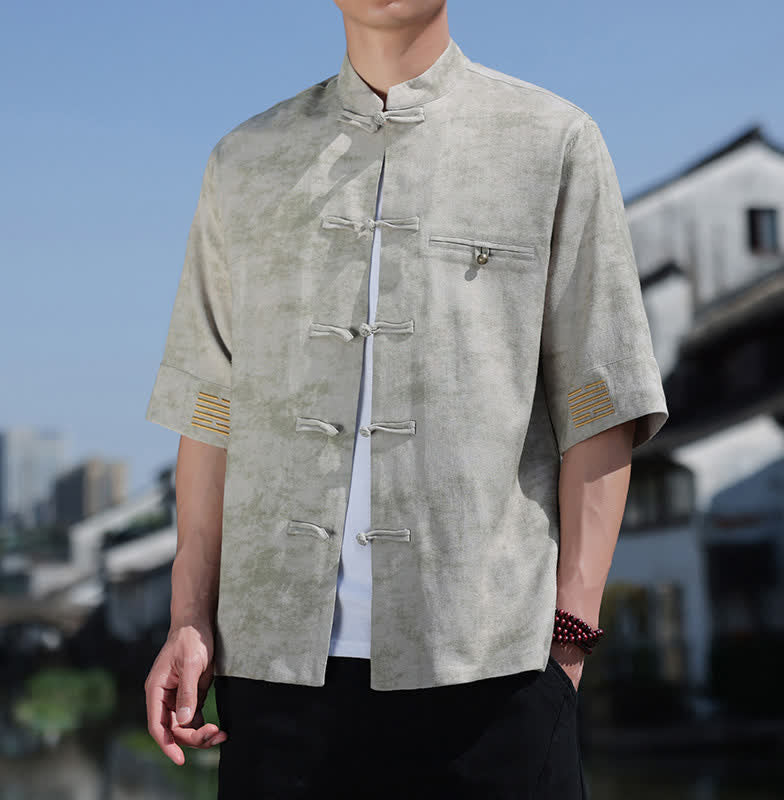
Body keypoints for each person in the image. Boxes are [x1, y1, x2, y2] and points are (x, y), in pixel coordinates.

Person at [143, 2, 669, 797]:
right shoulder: (244, 161)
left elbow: (600, 398)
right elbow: (210, 408)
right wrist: (189, 620)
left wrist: (569, 641)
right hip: (276, 679)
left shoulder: (552, 141)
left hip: (494, 671)